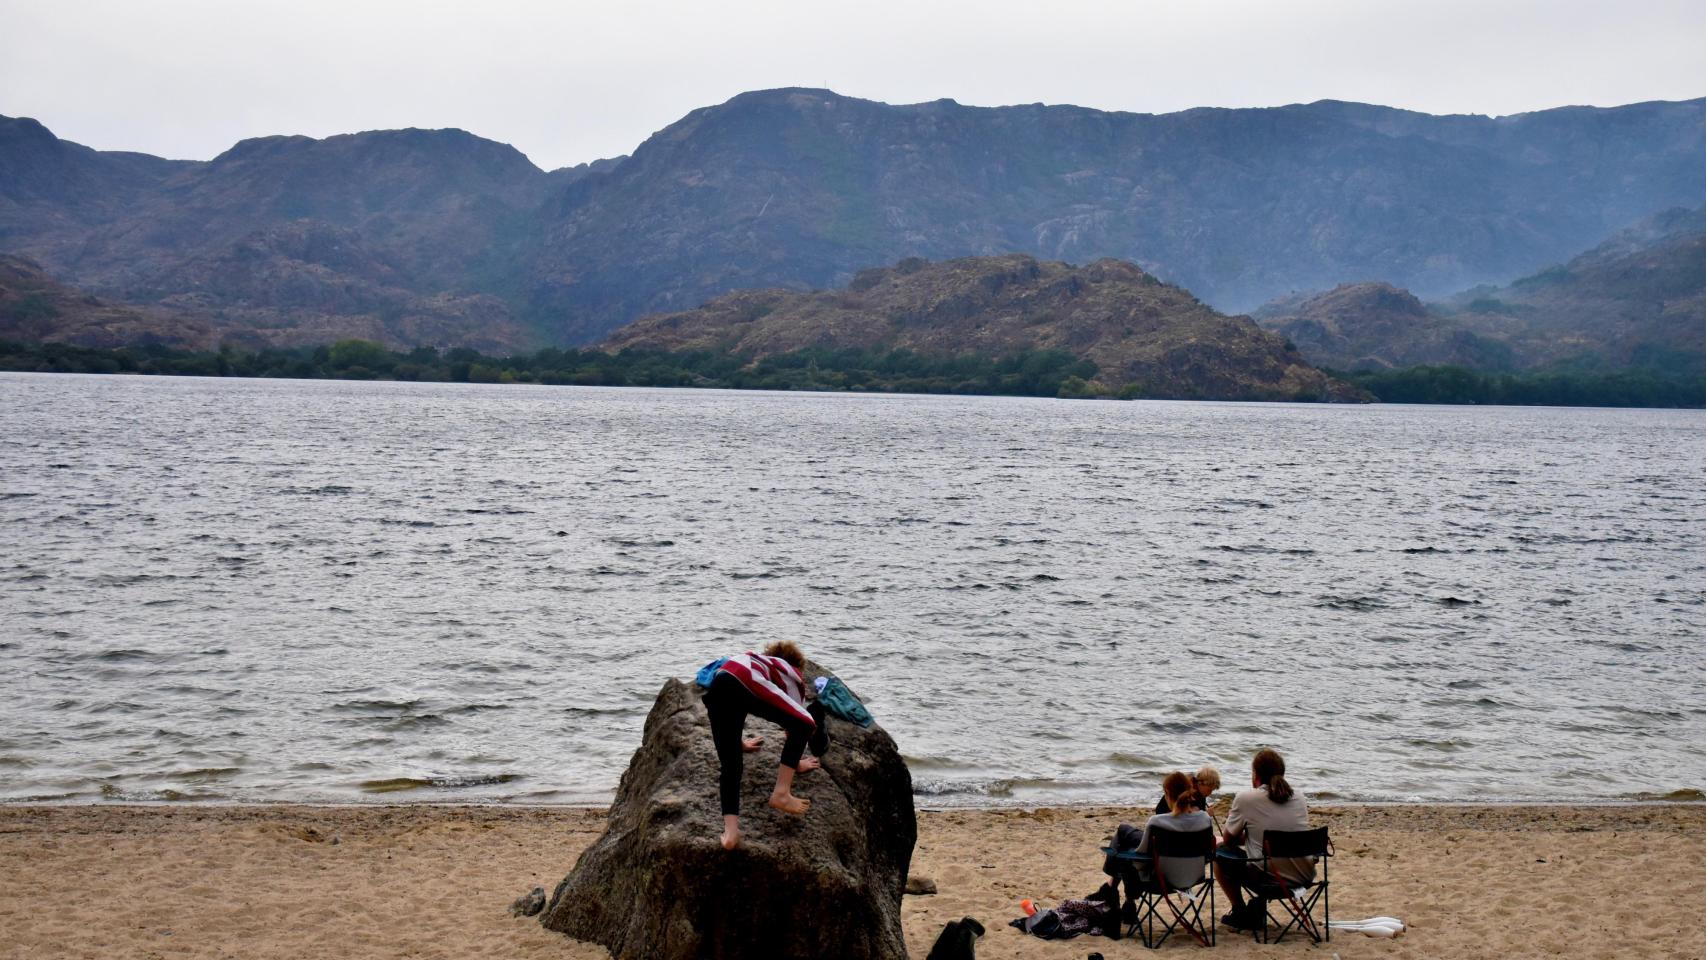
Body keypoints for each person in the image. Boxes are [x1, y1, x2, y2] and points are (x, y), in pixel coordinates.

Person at [702, 640, 826, 850]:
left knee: (731, 765)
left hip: (720, 684)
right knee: (806, 724)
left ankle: (731, 833)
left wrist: (737, 742)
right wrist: (796, 763)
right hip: (743, 681)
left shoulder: (753, 660)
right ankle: (781, 793)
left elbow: (738, 703)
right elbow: (795, 724)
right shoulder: (790, 673)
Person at [1216, 748, 1313, 930]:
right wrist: (1255, 838)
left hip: (1269, 879)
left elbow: (1229, 840)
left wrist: (1246, 836)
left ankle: (1240, 912)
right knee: (1263, 855)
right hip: (1304, 876)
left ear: (1256, 775)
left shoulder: (1246, 798)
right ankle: (1255, 908)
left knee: (1220, 853)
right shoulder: (1299, 797)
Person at [1136, 771, 1215, 891]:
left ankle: (1123, 898)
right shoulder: (1205, 819)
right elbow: (1208, 855)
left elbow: (1140, 861)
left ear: (1167, 793)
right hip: (1194, 877)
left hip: (1160, 880)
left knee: (1124, 836)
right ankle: (1115, 893)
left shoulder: (1156, 822)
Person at [1154, 766, 1221, 818]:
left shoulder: (1200, 795)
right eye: (1210, 790)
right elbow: (1186, 816)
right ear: (1201, 783)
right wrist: (1205, 815)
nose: (1210, 793)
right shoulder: (1184, 791)